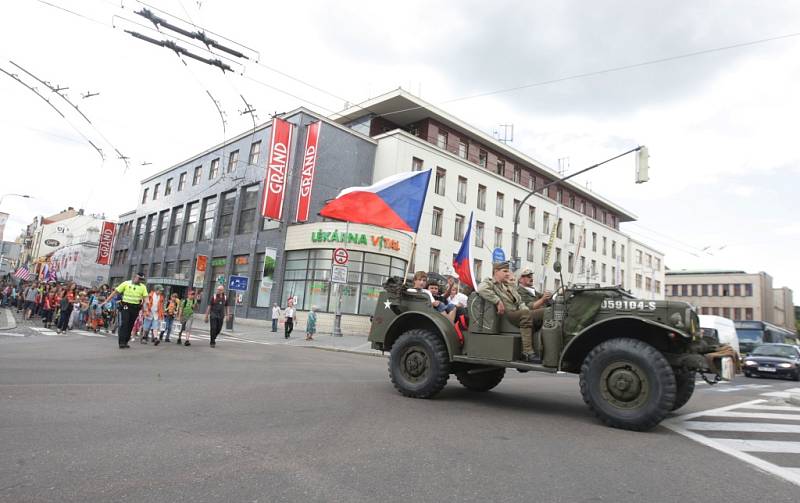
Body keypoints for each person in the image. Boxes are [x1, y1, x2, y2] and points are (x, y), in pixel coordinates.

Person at [477, 261, 543, 363]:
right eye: (504, 271)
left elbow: (520, 302)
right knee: (526, 315)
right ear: (496, 271)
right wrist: (497, 300)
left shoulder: (508, 286)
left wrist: (525, 309)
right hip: (507, 315)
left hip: (516, 313)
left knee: (545, 311)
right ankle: (527, 352)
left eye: (508, 271)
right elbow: (481, 289)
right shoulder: (490, 282)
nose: (507, 274)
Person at [104, 272, 149, 349]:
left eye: (141, 279)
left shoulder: (143, 287)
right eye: (139, 278)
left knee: (130, 324)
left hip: (135, 307)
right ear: (135, 277)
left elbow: (145, 298)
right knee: (125, 323)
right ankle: (121, 342)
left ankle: (126, 341)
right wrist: (107, 300)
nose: (140, 281)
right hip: (126, 306)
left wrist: (146, 307)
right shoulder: (126, 283)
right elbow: (115, 292)